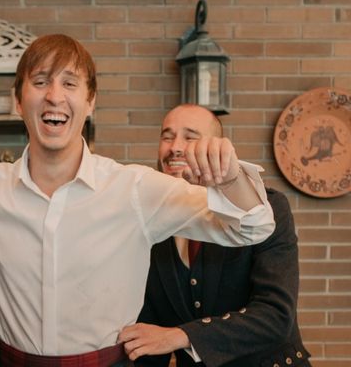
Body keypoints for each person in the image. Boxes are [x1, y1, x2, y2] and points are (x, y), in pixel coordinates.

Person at [0, 33, 275, 365]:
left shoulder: (136, 190)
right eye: (40, 81)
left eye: (70, 83)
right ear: (18, 100)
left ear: (90, 102)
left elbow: (250, 226)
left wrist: (230, 174)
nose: (54, 95)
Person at [119, 104, 311, 366]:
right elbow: (149, 333)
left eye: (190, 137)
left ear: (215, 146)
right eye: (167, 136)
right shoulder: (147, 217)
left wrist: (182, 335)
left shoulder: (266, 210)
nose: (175, 146)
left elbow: (275, 315)